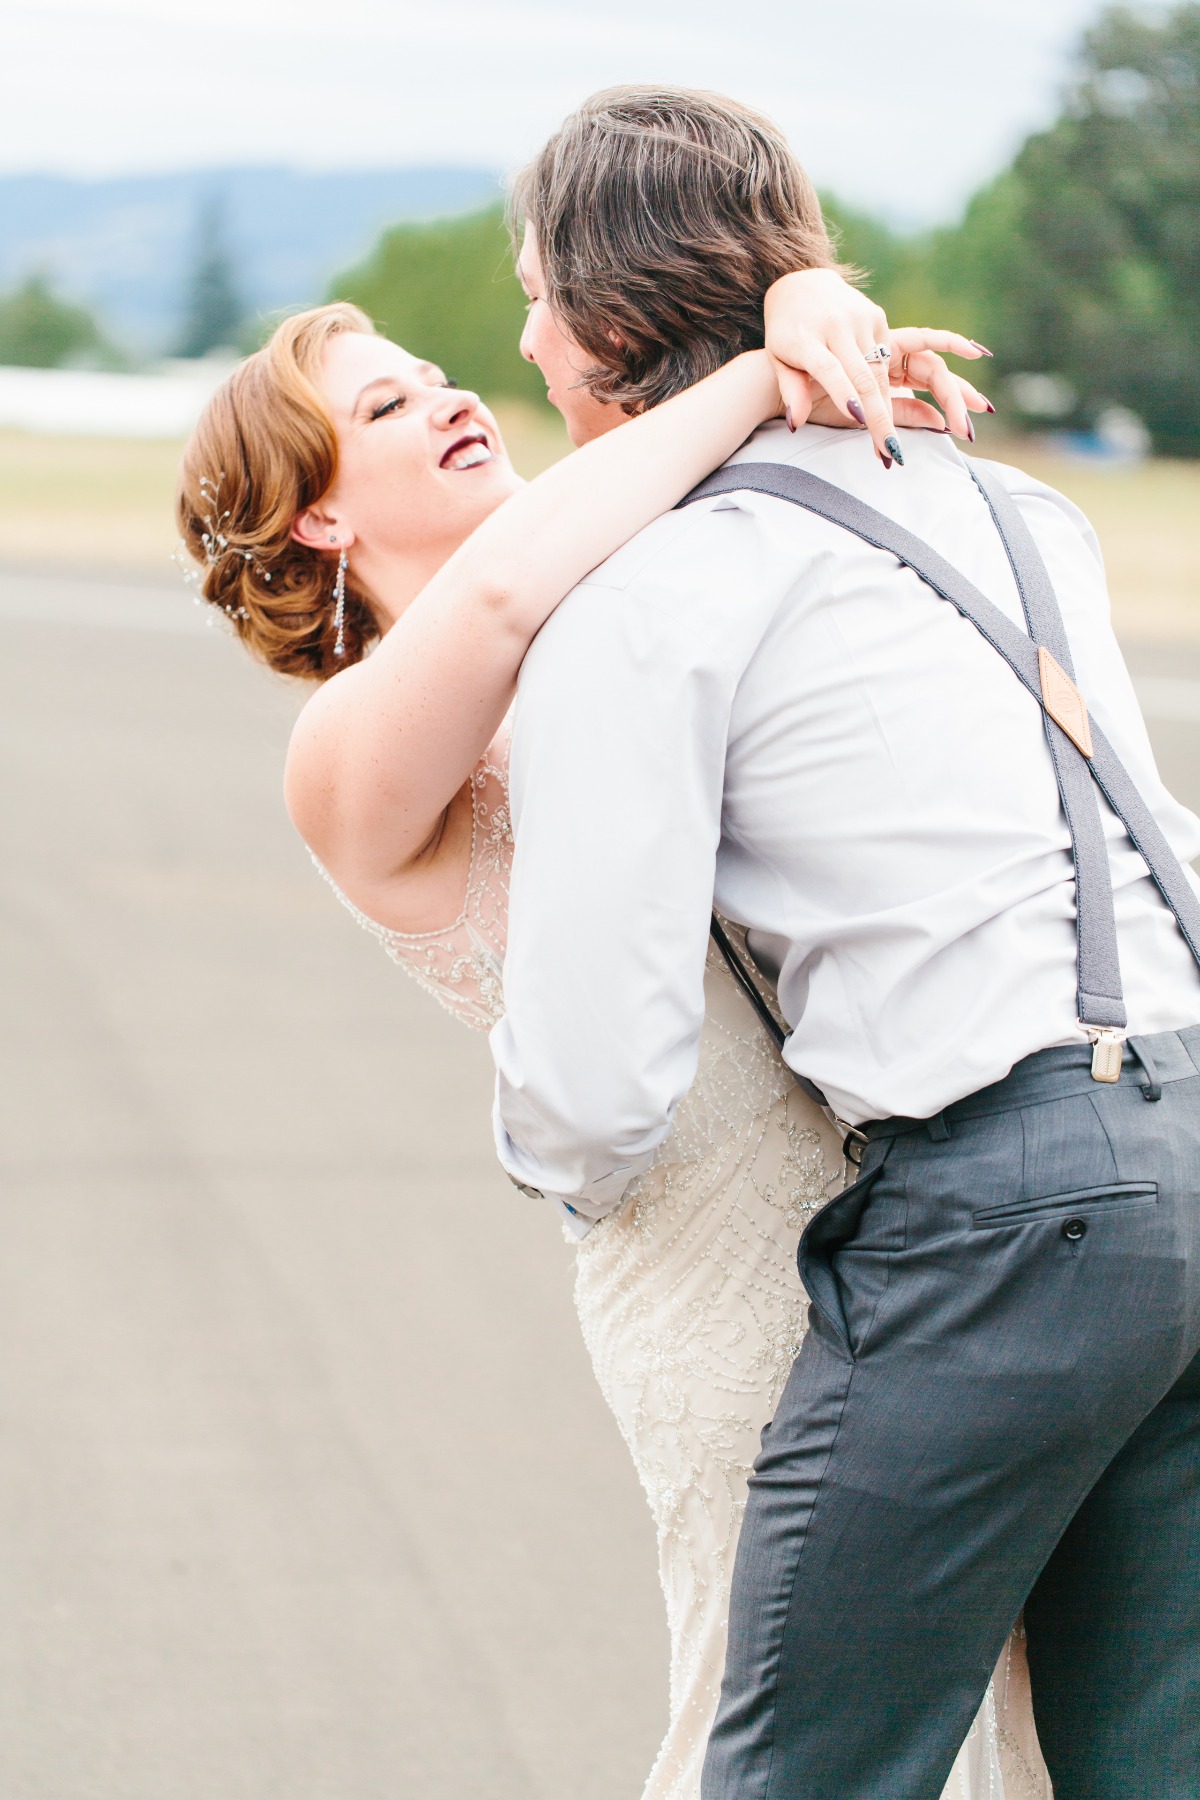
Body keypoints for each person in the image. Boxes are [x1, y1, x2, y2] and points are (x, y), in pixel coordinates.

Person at [173, 137, 1025, 1799]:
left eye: (435, 372)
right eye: (381, 408)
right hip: (711, 1270)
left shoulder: (621, 596)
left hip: (920, 1228)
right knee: (757, 1715)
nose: (442, 398)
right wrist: (772, 371)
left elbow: (660, 468)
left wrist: (803, 300)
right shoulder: (352, 750)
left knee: (1009, 1716)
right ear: (317, 514)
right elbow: (488, 602)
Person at [491, 85, 1200, 1800]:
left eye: (528, 289)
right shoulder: (1030, 515)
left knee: (802, 1765)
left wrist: (578, 1178)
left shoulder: (652, 592)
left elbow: (595, 1067)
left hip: (1008, 1209)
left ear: (598, 327)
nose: (519, 330)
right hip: (1191, 1131)